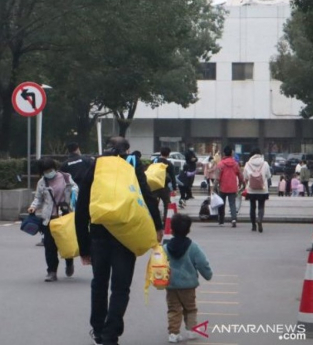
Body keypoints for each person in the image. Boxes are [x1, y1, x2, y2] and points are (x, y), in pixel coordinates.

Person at [75, 136, 163, 345]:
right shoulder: (132, 164)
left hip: (99, 234)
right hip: (126, 233)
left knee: (99, 284)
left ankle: (98, 329)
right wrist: (158, 225)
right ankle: (111, 334)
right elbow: (146, 196)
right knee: (120, 288)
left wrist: (83, 245)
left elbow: (82, 207)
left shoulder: (95, 166)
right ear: (126, 149)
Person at [164, 214, 213, 343]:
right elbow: (202, 263)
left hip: (171, 285)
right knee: (190, 308)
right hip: (188, 285)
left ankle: (173, 333)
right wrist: (208, 275)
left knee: (174, 309)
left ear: (172, 229)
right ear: (188, 230)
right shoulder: (193, 247)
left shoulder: (165, 248)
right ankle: (191, 330)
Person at [28, 157, 78, 281]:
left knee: (66, 243)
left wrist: (72, 193)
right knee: (50, 246)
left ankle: (69, 262)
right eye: (45, 171)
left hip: (65, 216)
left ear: (55, 168)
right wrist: (33, 207)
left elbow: (76, 189)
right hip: (49, 218)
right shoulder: (42, 182)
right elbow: (38, 198)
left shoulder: (66, 177)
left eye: (50, 169)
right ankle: (51, 272)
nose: (48, 172)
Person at [243, 148, 271, 233]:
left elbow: (246, 177)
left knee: (252, 207)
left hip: (251, 189)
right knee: (261, 206)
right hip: (262, 189)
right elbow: (269, 175)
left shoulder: (247, 164)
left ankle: (253, 225)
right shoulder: (265, 163)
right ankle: (259, 219)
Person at [216, 146, 243, 227]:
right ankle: (234, 219)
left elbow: (217, 177)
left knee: (221, 204)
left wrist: (214, 186)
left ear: (224, 153)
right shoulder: (235, 164)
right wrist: (241, 183)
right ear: (231, 153)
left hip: (222, 187)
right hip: (232, 187)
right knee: (232, 204)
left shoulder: (221, 164)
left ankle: (221, 220)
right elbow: (240, 175)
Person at [152, 147, 177, 221]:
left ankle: (155, 222)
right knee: (167, 204)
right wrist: (174, 189)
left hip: (154, 186)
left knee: (154, 205)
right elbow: (173, 177)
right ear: (168, 154)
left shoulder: (154, 161)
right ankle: (166, 221)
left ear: (160, 152)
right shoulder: (168, 163)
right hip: (164, 187)